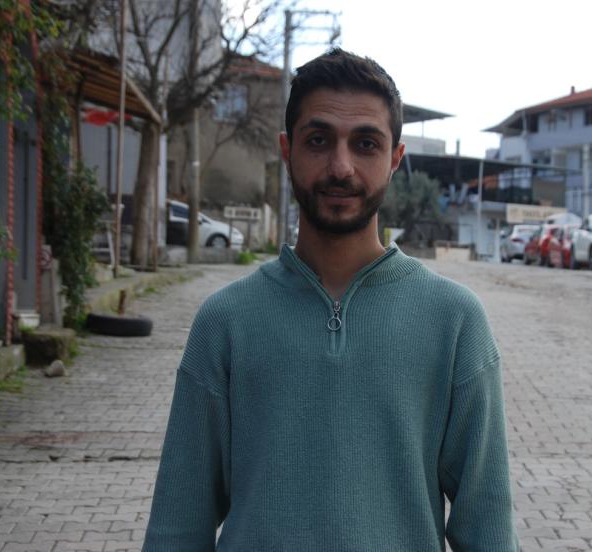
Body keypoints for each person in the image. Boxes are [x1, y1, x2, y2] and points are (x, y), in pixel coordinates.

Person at [143, 48, 518, 551]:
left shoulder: (454, 321)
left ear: (395, 158)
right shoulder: (225, 321)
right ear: (287, 150)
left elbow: (488, 528)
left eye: (365, 143)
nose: (341, 167)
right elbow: (177, 524)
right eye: (318, 140)